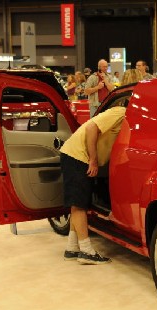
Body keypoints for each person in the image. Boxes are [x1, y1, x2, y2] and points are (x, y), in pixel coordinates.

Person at [59, 105, 127, 264]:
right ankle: (87, 251)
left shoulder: (122, 116)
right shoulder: (120, 112)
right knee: (79, 204)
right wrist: (93, 161)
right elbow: (91, 128)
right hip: (78, 156)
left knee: (77, 204)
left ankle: (72, 247)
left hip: (73, 155)